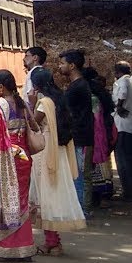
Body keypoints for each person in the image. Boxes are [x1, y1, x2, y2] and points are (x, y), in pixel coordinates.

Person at [0, 69, 35, 262]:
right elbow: (33, 124)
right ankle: (22, 247)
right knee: (20, 198)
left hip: (2, 155)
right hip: (22, 156)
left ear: (1, 87)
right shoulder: (22, 103)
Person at [28, 67, 86, 255]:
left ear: (36, 85)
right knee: (52, 192)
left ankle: (52, 242)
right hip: (58, 150)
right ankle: (54, 242)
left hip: (46, 151)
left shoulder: (43, 103)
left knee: (46, 194)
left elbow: (33, 124)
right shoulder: (59, 98)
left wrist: (31, 103)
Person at [59, 50, 93, 215]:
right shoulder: (78, 85)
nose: (59, 66)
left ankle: (80, 211)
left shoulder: (77, 87)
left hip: (79, 136)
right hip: (79, 135)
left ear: (72, 66)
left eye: (62, 63)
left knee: (77, 174)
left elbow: (71, 113)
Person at [82, 66, 117, 209]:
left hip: (95, 135)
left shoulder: (92, 98)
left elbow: (95, 121)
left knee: (94, 166)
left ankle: (97, 198)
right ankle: (102, 195)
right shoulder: (100, 94)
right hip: (104, 133)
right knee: (103, 165)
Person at [113, 62, 132, 202]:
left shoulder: (124, 81)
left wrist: (119, 105)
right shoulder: (130, 81)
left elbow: (123, 93)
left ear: (117, 71)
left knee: (123, 160)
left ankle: (128, 192)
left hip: (123, 126)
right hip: (128, 125)